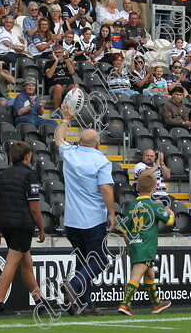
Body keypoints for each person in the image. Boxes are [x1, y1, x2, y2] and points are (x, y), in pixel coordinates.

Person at [56, 105, 115, 317]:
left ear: (80, 142)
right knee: (99, 260)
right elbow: (106, 188)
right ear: (98, 144)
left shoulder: (70, 153)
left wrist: (65, 119)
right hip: (93, 220)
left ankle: (85, 304)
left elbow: (58, 139)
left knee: (83, 260)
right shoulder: (102, 160)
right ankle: (74, 285)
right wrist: (111, 214)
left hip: (72, 221)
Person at [0, 141, 48, 315]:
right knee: (12, 262)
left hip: (6, 224)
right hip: (21, 224)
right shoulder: (30, 175)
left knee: (26, 263)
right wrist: (41, 229)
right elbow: (34, 207)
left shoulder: (4, 175)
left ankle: (39, 302)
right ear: (27, 156)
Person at [116, 173, 174, 316]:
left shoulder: (131, 206)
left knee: (149, 274)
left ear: (137, 187)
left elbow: (123, 229)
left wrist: (129, 245)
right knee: (136, 275)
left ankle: (155, 305)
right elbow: (170, 222)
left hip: (135, 244)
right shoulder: (154, 205)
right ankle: (125, 305)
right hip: (147, 245)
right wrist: (169, 211)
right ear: (155, 188)